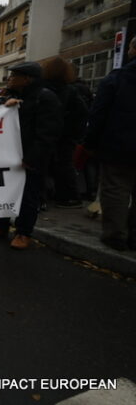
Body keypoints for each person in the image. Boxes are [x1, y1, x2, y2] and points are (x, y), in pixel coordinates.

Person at [0, 62, 63, 250]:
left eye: (14, 75)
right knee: (4, 191)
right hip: (9, 155)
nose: (9, 78)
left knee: (28, 196)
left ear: (27, 79)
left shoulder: (46, 98)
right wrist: (4, 105)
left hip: (31, 158)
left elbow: (48, 133)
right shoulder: (11, 97)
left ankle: (23, 233)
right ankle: (0, 226)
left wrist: (31, 158)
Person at [83, 37, 136, 251]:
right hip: (119, 143)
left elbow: (98, 114)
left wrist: (90, 143)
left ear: (133, 50)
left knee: (115, 189)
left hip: (119, 145)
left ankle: (115, 235)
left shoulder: (118, 78)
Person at [41, 57, 88, 209]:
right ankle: (68, 196)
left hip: (47, 134)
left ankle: (44, 197)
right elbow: (82, 113)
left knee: (44, 164)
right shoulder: (70, 90)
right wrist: (73, 133)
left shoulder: (42, 89)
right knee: (64, 165)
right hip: (64, 136)